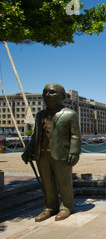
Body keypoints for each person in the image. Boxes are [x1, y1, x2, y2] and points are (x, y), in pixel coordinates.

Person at [22, 83, 81, 222]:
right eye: (45, 92)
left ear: (62, 96)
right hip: (41, 154)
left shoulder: (69, 114)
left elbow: (75, 135)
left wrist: (74, 152)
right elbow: (35, 135)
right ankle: (50, 207)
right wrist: (28, 150)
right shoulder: (40, 115)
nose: (48, 95)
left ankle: (66, 206)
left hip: (62, 154)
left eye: (52, 92)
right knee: (47, 182)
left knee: (64, 182)